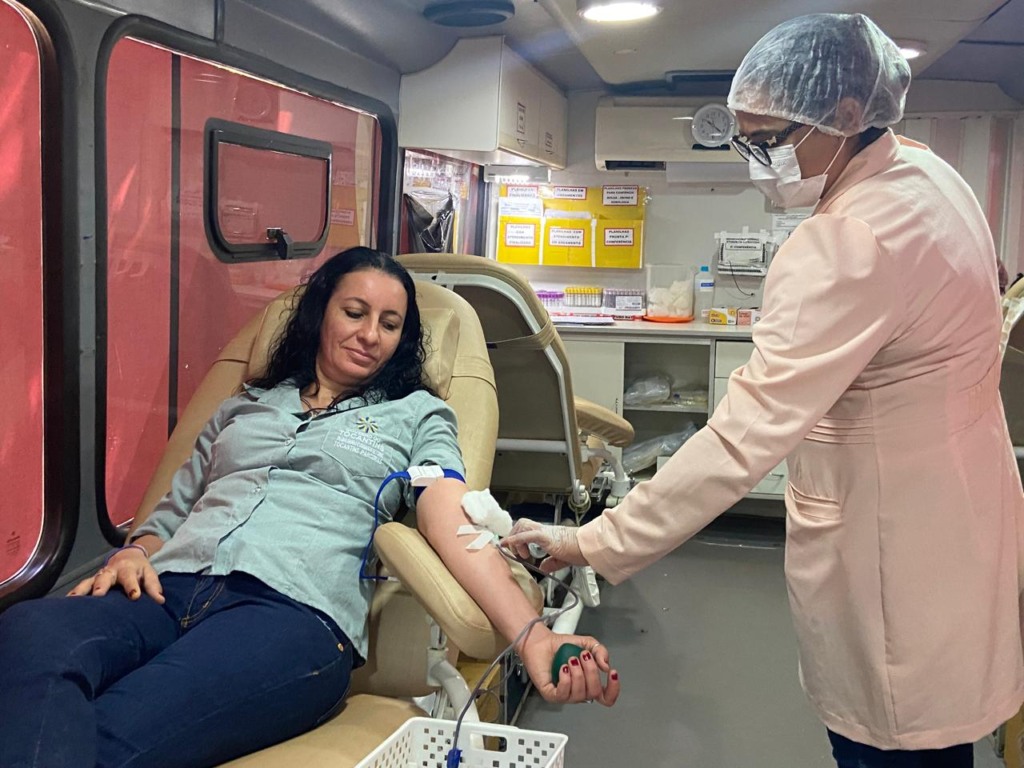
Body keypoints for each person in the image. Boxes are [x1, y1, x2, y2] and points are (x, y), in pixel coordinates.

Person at [508, 13, 1024, 768]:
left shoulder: (852, 239)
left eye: (769, 140)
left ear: (847, 117)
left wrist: (589, 540)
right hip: (957, 509)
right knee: (937, 743)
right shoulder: (927, 175)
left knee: (889, 741)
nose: (756, 161)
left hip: (892, 544)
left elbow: (737, 441)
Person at [0, 247, 619, 768]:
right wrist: (137, 549)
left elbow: (447, 512)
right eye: (354, 312)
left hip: (289, 615)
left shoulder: (416, 415)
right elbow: (174, 506)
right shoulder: (247, 404)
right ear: (320, 312)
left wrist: (532, 636)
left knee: (110, 730)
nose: (370, 334)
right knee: (27, 633)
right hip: (170, 589)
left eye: (390, 323)